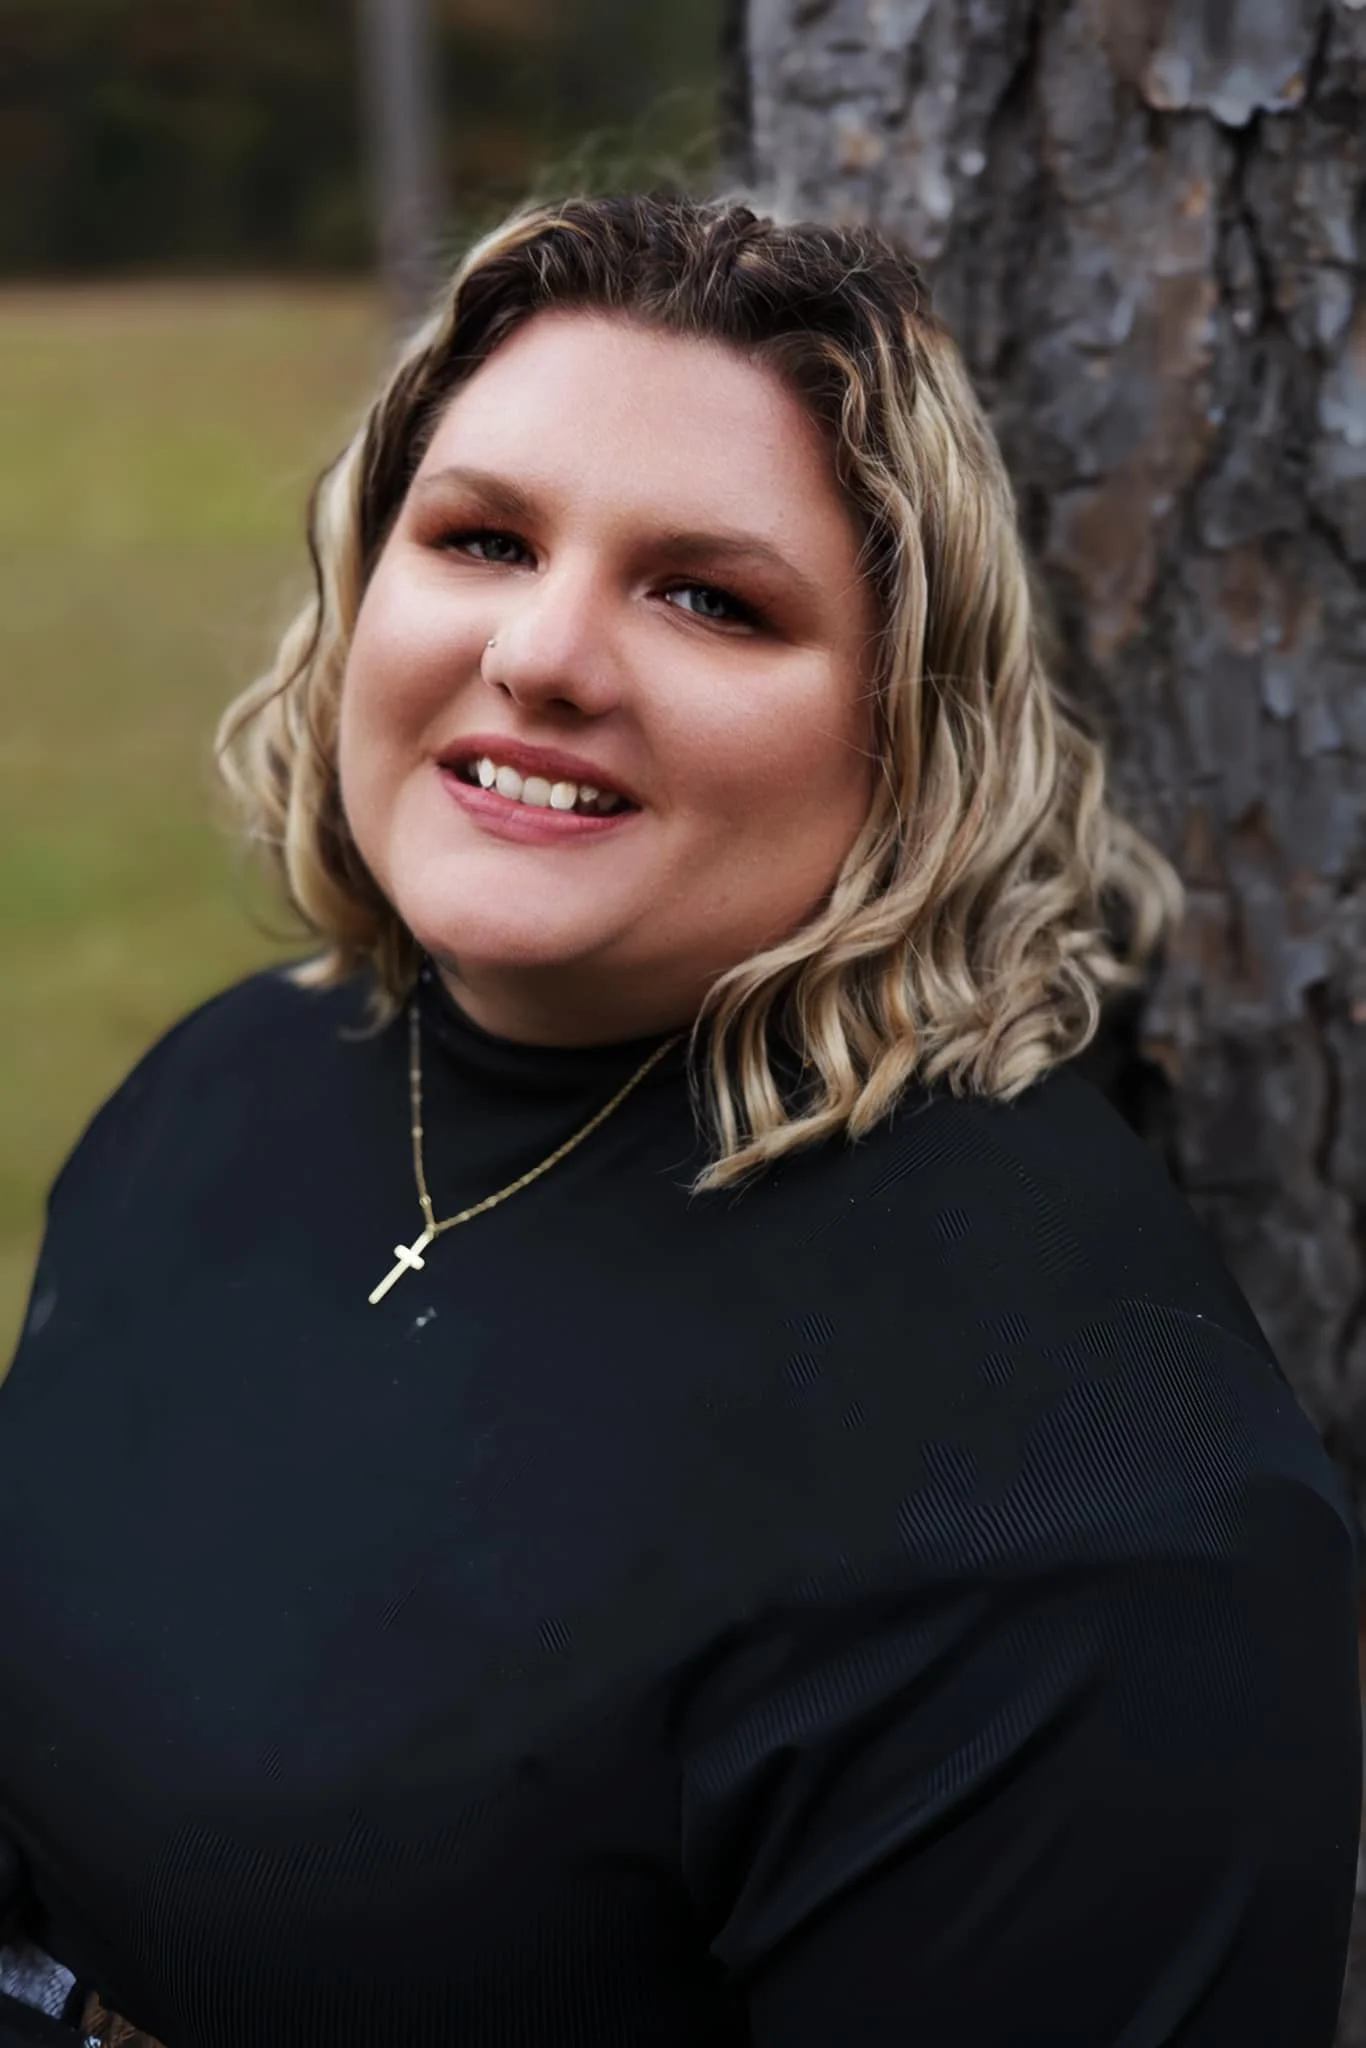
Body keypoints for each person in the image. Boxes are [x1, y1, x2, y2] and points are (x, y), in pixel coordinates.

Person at [0, 190, 1359, 2048]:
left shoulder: (1078, 1509)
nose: (547, 655)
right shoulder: (242, 1078)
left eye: (710, 597)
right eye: (480, 538)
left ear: (906, 728)